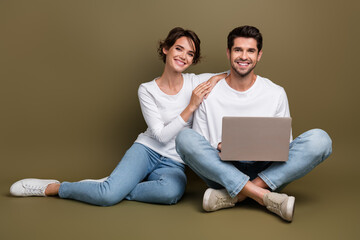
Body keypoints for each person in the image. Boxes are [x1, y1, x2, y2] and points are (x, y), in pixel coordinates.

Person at [10, 27, 227, 206]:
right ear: (166, 49)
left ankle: (114, 185)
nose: (183, 56)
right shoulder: (147, 89)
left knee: (170, 194)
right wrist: (191, 106)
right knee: (107, 197)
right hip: (146, 150)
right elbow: (160, 136)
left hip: (174, 162)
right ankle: (55, 187)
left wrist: (217, 77)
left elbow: (232, 73)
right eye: (179, 49)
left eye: (190, 53)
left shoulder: (195, 82)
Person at [175, 25, 332, 221]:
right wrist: (221, 146)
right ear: (228, 53)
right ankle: (265, 197)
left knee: (321, 140)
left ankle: (235, 196)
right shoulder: (209, 92)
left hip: (268, 172)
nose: (244, 56)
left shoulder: (275, 92)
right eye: (238, 49)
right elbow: (201, 144)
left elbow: (285, 147)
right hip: (223, 171)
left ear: (259, 55)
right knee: (184, 138)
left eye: (251, 51)